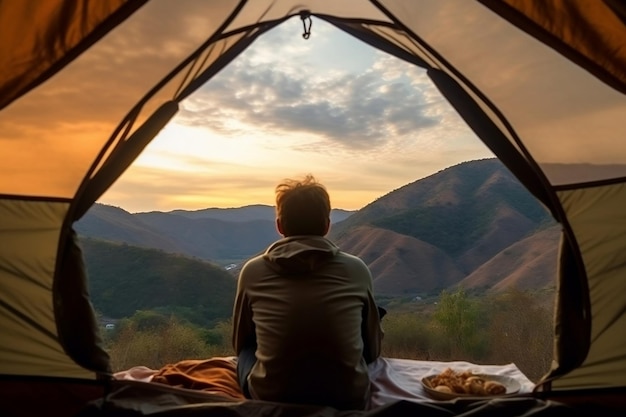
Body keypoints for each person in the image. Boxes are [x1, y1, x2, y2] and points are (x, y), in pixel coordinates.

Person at [232, 174, 384, 410]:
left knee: (247, 350)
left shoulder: (253, 271)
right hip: (348, 397)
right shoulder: (357, 269)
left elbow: (240, 342)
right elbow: (373, 350)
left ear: (280, 225)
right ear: (326, 225)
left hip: (271, 396)